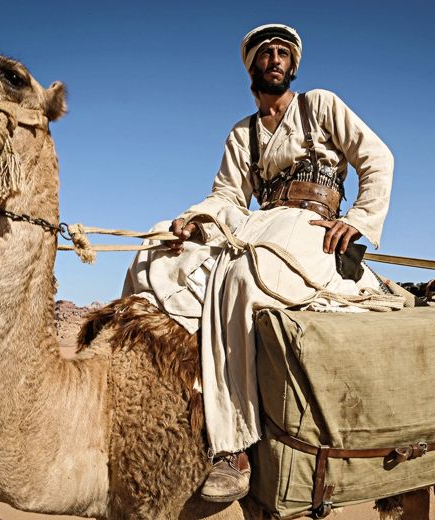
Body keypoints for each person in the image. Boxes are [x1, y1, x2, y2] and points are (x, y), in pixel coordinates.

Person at [123, 23, 394, 502]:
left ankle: (234, 446)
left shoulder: (321, 105)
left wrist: (360, 220)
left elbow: (376, 157)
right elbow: (227, 195)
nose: (274, 58)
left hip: (311, 228)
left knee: (241, 278)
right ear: (251, 67)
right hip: (260, 222)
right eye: (264, 53)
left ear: (292, 65)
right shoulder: (241, 134)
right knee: (156, 253)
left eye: (282, 52)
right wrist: (191, 223)